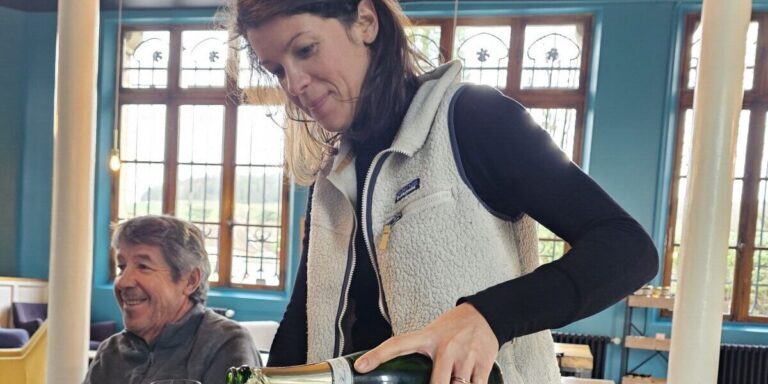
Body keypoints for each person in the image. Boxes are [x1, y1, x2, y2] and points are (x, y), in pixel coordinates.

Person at [228, 0, 659, 383]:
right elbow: (305, 320)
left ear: (364, 21)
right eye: (277, 70)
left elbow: (628, 249)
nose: (294, 85)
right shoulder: (332, 178)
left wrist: (488, 316)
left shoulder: (473, 120)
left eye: (305, 50)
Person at [83, 215, 261, 384]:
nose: (123, 282)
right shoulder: (110, 352)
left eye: (143, 266)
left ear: (190, 281)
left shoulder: (226, 344)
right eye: (122, 267)